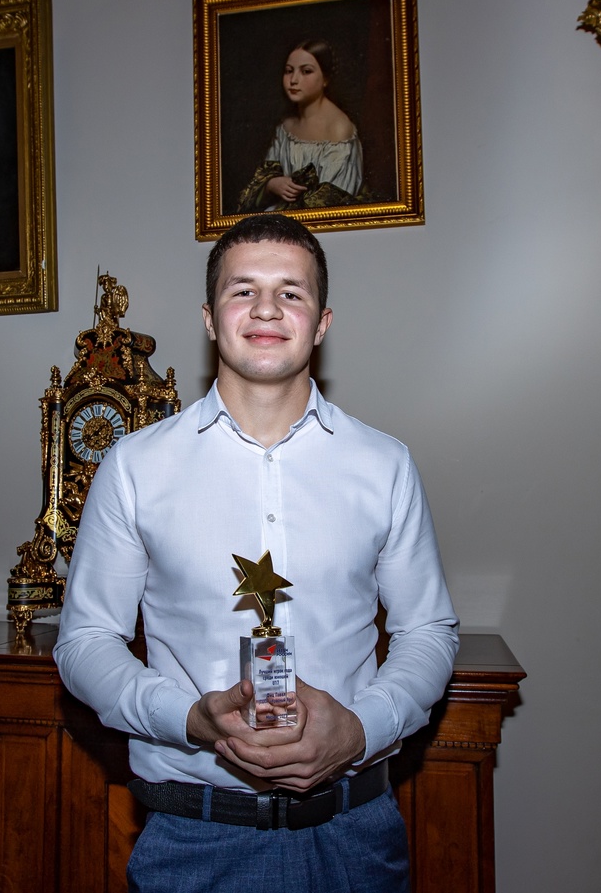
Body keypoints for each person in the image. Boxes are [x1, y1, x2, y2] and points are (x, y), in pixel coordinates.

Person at [53, 213, 459, 893]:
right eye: (243, 290)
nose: (267, 308)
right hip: (195, 839)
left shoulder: (384, 465)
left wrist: (360, 730)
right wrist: (189, 718)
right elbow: (85, 642)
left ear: (322, 323)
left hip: (355, 834)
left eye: (291, 292)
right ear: (209, 319)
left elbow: (429, 631)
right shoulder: (135, 468)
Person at [236, 40, 366, 212]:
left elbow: (333, 200)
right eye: (289, 71)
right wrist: (272, 184)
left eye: (306, 71)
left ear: (325, 78)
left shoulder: (338, 128)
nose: (293, 80)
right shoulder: (286, 126)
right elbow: (265, 173)